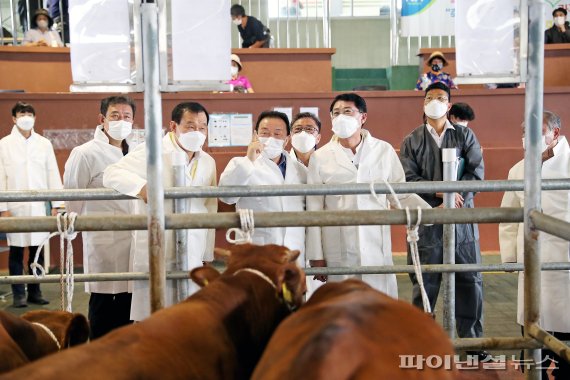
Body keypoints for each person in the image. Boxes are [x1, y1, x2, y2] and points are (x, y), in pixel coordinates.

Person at [103, 102, 217, 321]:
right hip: (158, 243)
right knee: (153, 314)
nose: (197, 132)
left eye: (202, 127)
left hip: (193, 244)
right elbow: (112, 173)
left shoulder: (208, 161)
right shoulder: (152, 151)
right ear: (173, 126)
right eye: (190, 126)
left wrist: (206, 253)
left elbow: (208, 206)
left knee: (188, 313)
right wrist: (142, 188)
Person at [306, 93, 429, 297]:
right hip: (337, 246)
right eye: (336, 113)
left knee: (378, 307)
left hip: (375, 245)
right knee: (342, 309)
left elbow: (400, 193)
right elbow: (314, 209)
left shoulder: (383, 150)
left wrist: (431, 214)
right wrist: (317, 256)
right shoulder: (320, 157)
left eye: (347, 112)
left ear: (363, 117)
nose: (341, 117)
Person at [399, 82, 487, 357]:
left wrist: (457, 192)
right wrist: (438, 191)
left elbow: (476, 173)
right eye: (430, 97)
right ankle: (421, 343)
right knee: (425, 283)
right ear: (423, 104)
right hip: (427, 221)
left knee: (469, 281)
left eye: (440, 97)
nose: (434, 101)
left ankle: (472, 345)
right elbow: (407, 178)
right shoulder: (411, 140)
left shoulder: (465, 135)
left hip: (461, 222)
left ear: (449, 105)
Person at [499, 111, 570, 379]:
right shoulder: (518, 169)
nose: (530, 136)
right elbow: (507, 216)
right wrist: (509, 258)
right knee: (531, 336)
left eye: (538, 130)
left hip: (564, 262)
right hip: (530, 262)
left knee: (564, 337)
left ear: (555, 133)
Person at [63, 96, 137, 339]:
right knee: (105, 307)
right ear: (102, 119)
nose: (121, 121)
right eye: (115, 115)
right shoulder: (84, 153)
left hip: (135, 240)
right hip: (105, 241)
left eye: (127, 117)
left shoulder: (136, 152)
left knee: (132, 308)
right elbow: (73, 196)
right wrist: (72, 227)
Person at [0, 101, 64, 308]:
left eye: (29, 113)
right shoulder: (4, 144)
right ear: (14, 118)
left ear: (34, 118)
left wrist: (57, 204)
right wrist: (4, 207)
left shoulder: (43, 144)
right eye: (21, 113)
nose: (25, 117)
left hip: (38, 207)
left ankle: (35, 291)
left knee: (38, 251)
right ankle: (19, 293)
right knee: (16, 251)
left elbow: (52, 173)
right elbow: (0, 177)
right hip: (14, 207)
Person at [219, 111, 306, 261]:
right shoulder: (240, 164)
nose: (271, 138)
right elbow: (227, 197)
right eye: (265, 133)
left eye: (277, 134)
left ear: (287, 139)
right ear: (255, 135)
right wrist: (249, 160)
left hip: (294, 250)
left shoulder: (300, 170)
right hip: (256, 249)